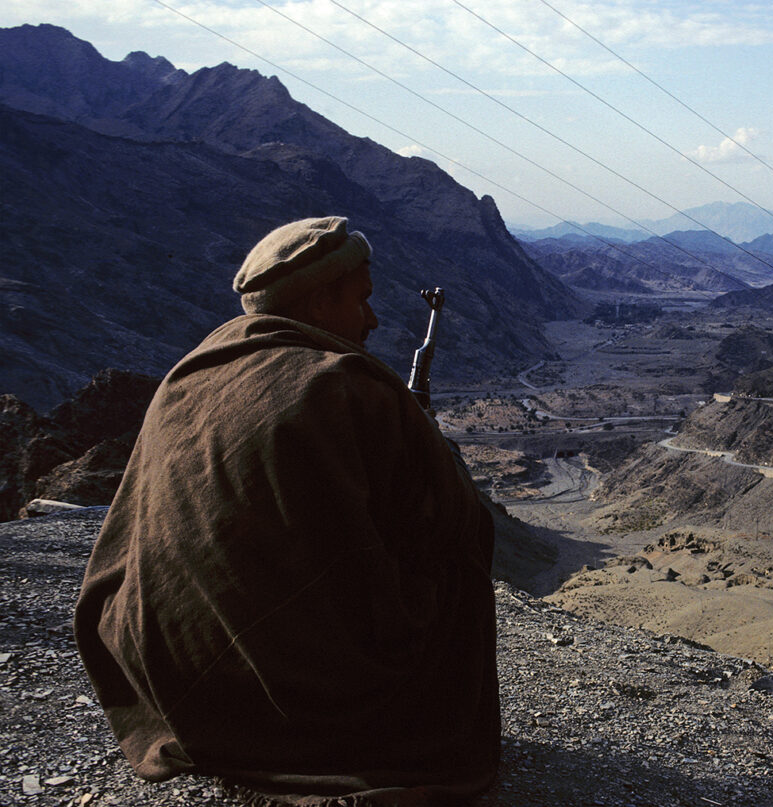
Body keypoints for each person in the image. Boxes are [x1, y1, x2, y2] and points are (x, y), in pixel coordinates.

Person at [74, 216, 499, 806]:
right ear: (322, 300)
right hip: (300, 696)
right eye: (362, 301)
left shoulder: (193, 369)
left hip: (168, 675)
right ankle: (398, 724)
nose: (371, 321)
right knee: (467, 547)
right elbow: (452, 521)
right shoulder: (348, 384)